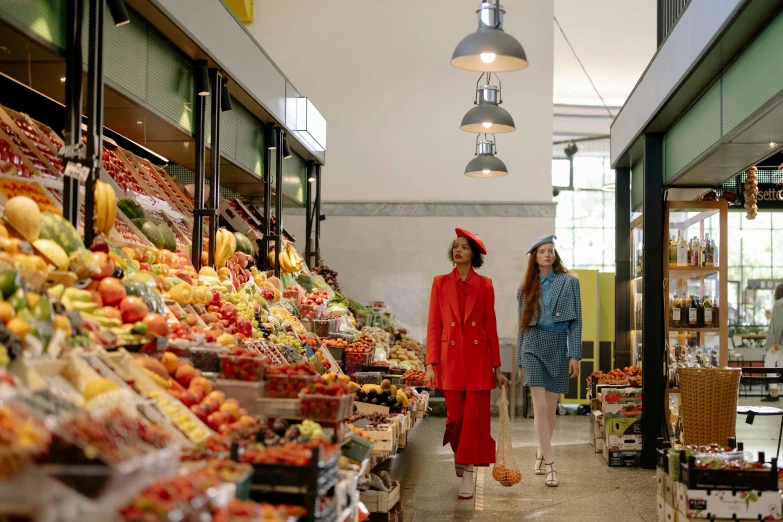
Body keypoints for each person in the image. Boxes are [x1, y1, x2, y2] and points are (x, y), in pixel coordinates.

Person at [425, 228, 508, 500]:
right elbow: (434, 326)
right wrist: (430, 364)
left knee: (474, 421)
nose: (457, 250)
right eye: (455, 246)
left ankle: (469, 475)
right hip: (449, 361)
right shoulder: (439, 282)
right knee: (456, 419)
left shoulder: (486, 285)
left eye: (464, 247)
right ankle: (460, 453)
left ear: (473, 255)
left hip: (478, 360)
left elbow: (490, 326)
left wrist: (497, 367)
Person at [515, 235, 582, 487]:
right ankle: (552, 465)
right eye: (542, 251)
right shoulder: (524, 289)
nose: (547, 254)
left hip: (558, 347)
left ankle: (541, 453)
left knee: (550, 409)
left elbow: (577, 322)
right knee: (540, 408)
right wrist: (520, 360)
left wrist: (575, 354)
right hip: (532, 346)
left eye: (550, 251)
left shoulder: (570, 283)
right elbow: (521, 327)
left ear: (555, 255)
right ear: (535, 257)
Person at [762, 284, 783, 402]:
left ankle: (774, 393)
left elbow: (779, 325)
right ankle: (776, 392)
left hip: (778, 342)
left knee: (769, 363)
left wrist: (776, 341)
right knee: (781, 364)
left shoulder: (779, 304)